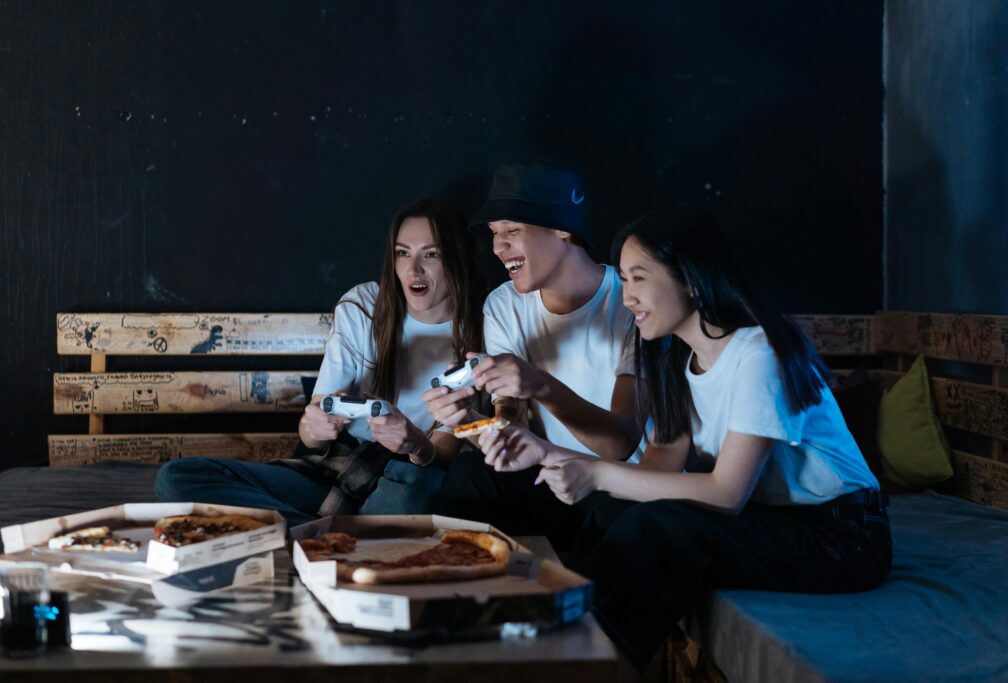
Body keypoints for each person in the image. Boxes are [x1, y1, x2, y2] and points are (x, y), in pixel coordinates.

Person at [475, 207, 891, 670]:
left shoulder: (758, 353)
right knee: (616, 511)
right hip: (771, 519)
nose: (628, 296)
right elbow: (655, 475)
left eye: (639, 278)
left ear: (691, 279)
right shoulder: (674, 361)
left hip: (843, 536)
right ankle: (552, 639)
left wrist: (591, 472)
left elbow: (726, 494)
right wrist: (546, 453)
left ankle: (579, 664)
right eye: (625, 281)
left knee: (660, 531)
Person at [155, 198, 487, 526]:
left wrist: (415, 443)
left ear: (456, 257)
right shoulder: (364, 305)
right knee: (176, 478)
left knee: (419, 484)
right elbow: (313, 431)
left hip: (403, 477)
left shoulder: (482, 327)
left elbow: (442, 454)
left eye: (431, 254)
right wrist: (315, 426)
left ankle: (310, 532)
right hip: (335, 467)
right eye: (403, 253)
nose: (413, 269)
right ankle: (341, 537)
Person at [425, 161, 642, 548]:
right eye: (493, 234)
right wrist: (469, 419)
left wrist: (541, 383)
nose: (497, 247)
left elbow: (619, 445)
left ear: (563, 228)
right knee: (472, 472)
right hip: (546, 476)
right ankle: (459, 593)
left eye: (512, 230)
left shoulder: (634, 303)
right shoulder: (504, 305)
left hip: (616, 488)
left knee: (615, 519)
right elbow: (510, 426)